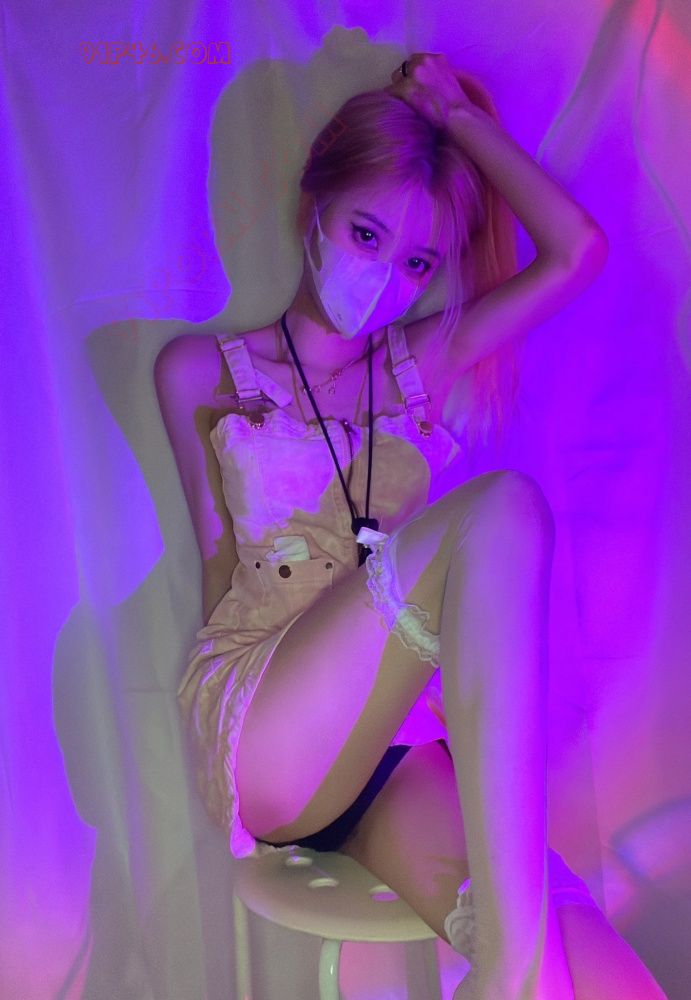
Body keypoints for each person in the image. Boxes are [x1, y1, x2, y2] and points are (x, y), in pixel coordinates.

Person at [155, 52, 666, 1000]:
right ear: (314, 203)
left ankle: (515, 969)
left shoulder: (413, 367)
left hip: (393, 744)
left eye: (417, 262)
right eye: (365, 234)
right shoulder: (203, 371)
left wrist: (456, 119)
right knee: (502, 509)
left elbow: (576, 253)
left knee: (580, 949)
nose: (384, 279)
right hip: (268, 719)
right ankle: (504, 977)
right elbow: (217, 565)